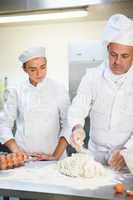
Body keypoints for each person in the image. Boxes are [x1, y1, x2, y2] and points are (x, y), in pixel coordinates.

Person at [68, 14, 133, 170]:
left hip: (126, 158)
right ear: (107, 49)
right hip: (94, 158)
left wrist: (128, 152)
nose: (117, 61)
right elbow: (78, 107)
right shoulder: (92, 77)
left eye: (124, 56)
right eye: (113, 55)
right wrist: (77, 127)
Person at [0, 46, 70, 160]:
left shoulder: (58, 88)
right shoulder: (16, 90)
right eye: (33, 69)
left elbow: (68, 123)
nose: (39, 73)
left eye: (43, 67)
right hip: (25, 158)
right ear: (25, 69)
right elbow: (4, 123)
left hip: (54, 157)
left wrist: (55, 156)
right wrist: (17, 152)